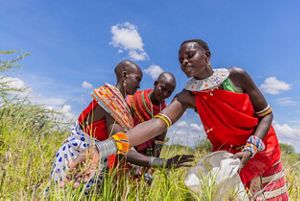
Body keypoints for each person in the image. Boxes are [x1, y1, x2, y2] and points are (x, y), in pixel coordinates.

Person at [70, 39, 288, 200]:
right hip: (229, 158)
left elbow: (266, 114)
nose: (185, 62)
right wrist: (101, 149)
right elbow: (156, 125)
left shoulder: (235, 76)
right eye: (181, 60)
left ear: (207, 55)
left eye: (190, 55)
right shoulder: (188, 96)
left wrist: (252, 147)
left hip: (262, 151)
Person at [49, 60, 192, 194]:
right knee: (62, 193)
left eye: (170, 92)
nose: (139, 85)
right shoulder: (111, 101)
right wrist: (162, 163)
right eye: (137, 79)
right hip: (80, 155)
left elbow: (150, 139)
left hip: (97, 157)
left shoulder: (119, 102)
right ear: (124, 76)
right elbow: (124, 148)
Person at [122, 72, 176, 182]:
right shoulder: (134, 99)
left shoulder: (165, 112)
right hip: (124, 148)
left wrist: (150, 169)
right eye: (163, 88)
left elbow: (159, 142)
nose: (165, 94)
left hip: (144, 156)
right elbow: (122, 125)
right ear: (155, 83)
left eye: (169, 92)